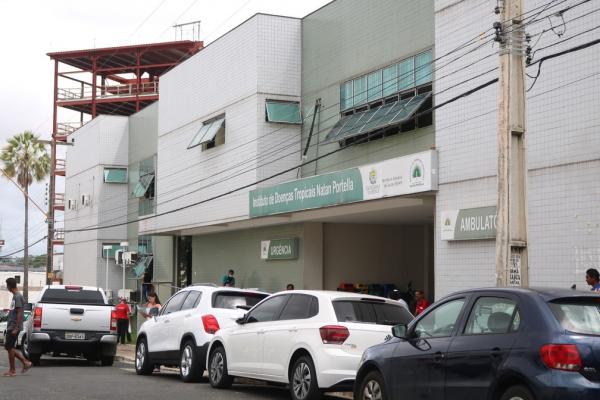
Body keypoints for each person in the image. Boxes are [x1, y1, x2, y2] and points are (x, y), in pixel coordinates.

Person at [3, 278, 32, 377]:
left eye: (7, 285)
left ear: (10, 286)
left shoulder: (18, 297)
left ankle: (13, 370)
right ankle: (25, 362)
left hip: (14, 326)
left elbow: (19, 313)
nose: (7, 287)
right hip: (12, 325)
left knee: (9, 347)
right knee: (8, 347)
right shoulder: (16, 296)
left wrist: (16, 327)